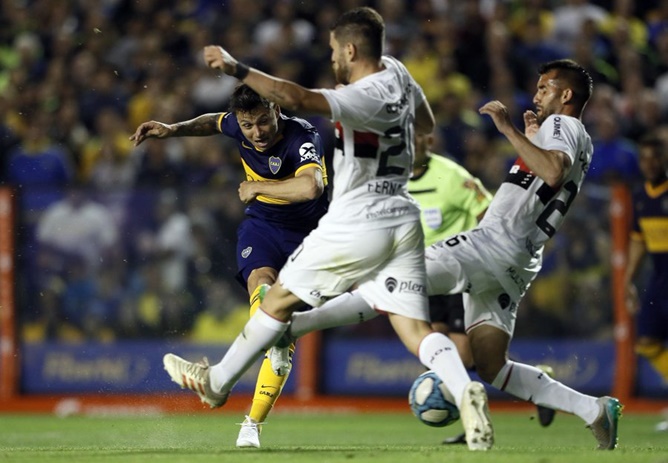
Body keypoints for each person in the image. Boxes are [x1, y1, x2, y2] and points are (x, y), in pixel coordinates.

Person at [162, 7, 495, 451]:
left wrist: (236, 67)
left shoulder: (358, 94)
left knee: (276, 303)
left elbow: (295, 98)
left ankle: (217, 382)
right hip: (403, 216)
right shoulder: (399, 74)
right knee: (415, 328)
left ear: (351, 50)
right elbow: (426, 124)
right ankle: (462, 388)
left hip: (357, 218)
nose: (333, 58)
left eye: (335, 50)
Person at [277, 59, 623, 451]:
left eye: (545, 88)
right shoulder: (577, 139)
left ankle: (294, 327)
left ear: (566, 95)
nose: (537, 94)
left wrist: (508, 129)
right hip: (518, 261)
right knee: (491, 365)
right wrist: (532, 139)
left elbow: (554, 172)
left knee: (391, 281)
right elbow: (549, 175)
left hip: (492, 245)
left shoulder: (563, 125)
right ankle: (593, 409)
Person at [130, 83, 329, 448]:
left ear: (276, 110)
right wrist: (172, 129)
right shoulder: (238, 123)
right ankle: (276, 345)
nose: (257, 132)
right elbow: (211, 122)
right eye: (247, 125)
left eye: (263, 121)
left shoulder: (301, 135)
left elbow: (310, 187)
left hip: (309, 239)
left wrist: (259, 188)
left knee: (281, 320)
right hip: (262, 227)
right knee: (262, 286)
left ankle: (253, 422)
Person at [623, 135, 668, 431]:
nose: (650, 164)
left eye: (655, 158)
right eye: (645, 159)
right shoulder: (640, 197)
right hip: (659, 277)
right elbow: (638, 241)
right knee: (647, 341)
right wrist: (628, 278)